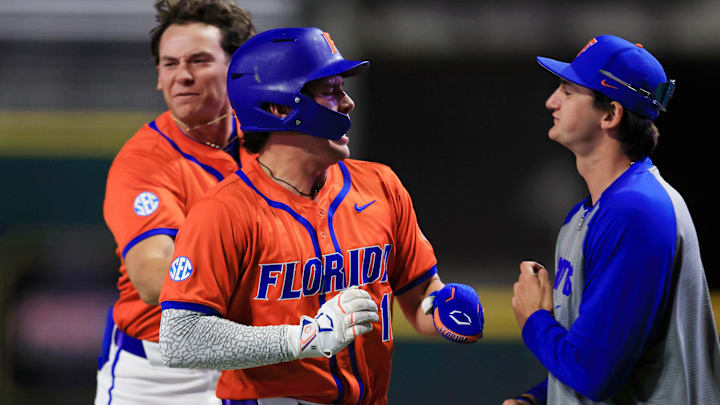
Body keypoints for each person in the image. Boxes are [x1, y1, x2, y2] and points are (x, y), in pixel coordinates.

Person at [158, 27, 485, 405]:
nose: (347, 103)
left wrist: (445, 308)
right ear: (280, 107)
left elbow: (421, 297)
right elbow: (181, 338)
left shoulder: (380, 184)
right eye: (330, 90)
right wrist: (304, 338)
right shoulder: (224, 211)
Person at [505, 35, 720, 405]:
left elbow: (593, 372)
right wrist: (538, 398)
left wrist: (533, 320)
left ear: (610, 114)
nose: (551, 101)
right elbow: (606, 350)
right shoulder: (594, 211)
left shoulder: (637, 211)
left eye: (569, 91)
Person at [94, 1, 254, 404]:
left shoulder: (270, 139)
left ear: (237, 67)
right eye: (169, 64)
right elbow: (151, 278)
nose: (182, 76)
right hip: (158, 375)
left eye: (199, 60)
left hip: (247, 362)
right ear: (158, 78)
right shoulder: (144, 162)